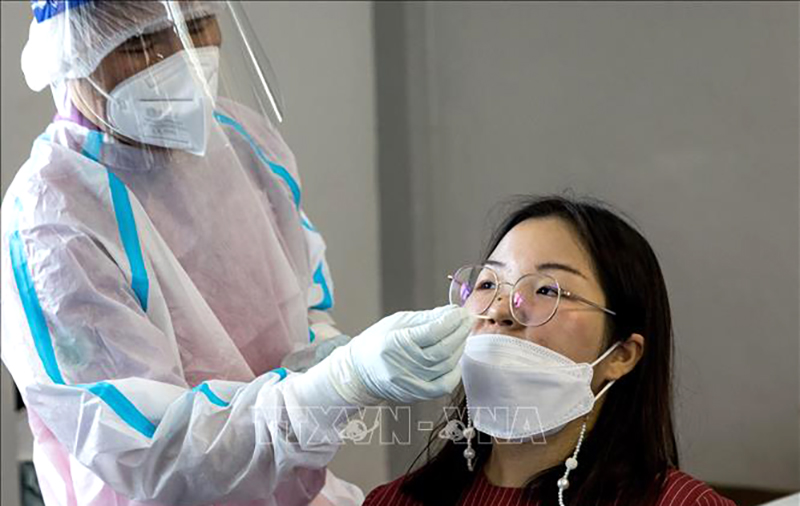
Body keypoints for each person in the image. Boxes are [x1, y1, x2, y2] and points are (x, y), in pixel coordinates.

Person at [1, 1, 472, 505]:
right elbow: (158, 458)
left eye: (196, 25)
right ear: (71, 52)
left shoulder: (243, 145)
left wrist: (340, 359)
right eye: (140, 43)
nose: (178, 54)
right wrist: (341, 382)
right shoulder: (53, 223)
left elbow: (301, 316)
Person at [364, 196, 737, 506]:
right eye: (488, 282)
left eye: (546, 290)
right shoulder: (393, 501)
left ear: (621, 355)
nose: (499, 309)